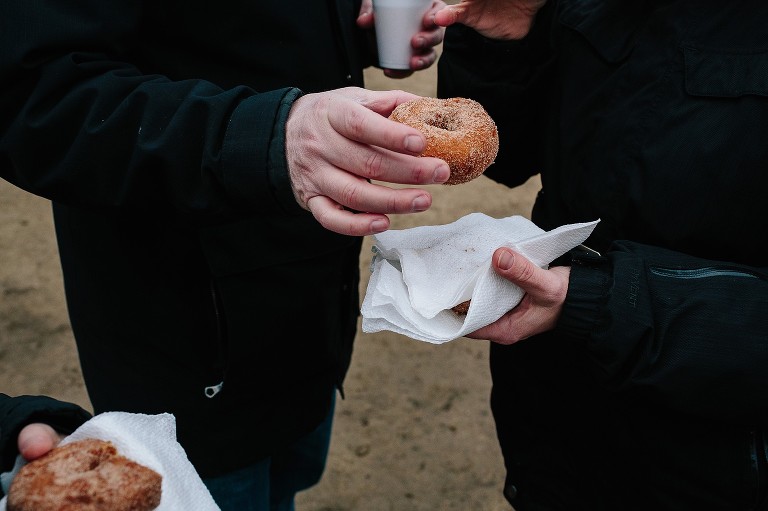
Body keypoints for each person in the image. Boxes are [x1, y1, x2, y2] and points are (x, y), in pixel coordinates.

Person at [0, 0, 447, 508]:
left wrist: (349, 29)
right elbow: (34, 93)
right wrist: (266, 139)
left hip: (310, 300)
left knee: (287, 480)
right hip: (184, 323)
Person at [434, 1, 768, 510]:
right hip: (550, 417)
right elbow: (508, 155)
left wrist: (598, 302)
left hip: (714, 460)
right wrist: (503, 41)